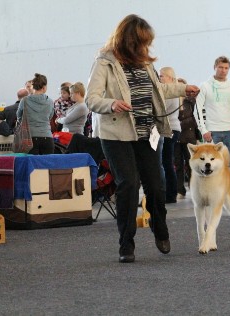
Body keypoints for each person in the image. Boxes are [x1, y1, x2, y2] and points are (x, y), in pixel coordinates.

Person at [85, 14, 200, 263]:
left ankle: (161, 230)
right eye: (142, 41)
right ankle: (126, 245)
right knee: (128, 184)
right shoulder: (104, 62)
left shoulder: (145, 63)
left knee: (156, 185)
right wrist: (111, 103)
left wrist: (184, 88)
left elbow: (158, 90)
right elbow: (91, 99)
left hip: (147, 132)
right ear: (128, 39)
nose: (146, 47)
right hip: (115, 134)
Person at [194, 56, 230, 173]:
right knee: (212, 166)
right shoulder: (205, 86)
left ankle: (226, 190)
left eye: (226, 68)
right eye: (220, 67)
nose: (223, 70)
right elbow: (197, 110)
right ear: (215, 67)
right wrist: (204, 130)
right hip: (212, 132)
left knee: (228, 164)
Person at [16, 73, 55, 155]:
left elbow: (19, 116)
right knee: (47, 166)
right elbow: (50, 117)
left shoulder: (24, 100)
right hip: (47, 137)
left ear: (33, 86)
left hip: (30, 138)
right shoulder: (50, 102)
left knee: (32, 166)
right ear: (44, 87)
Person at [159, 67, 181, 203]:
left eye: (162, 76)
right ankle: (170, 192)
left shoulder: (170, 92)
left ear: (170, 78)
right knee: (167, 162)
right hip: (171, 129)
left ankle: (171, 193)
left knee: (166, 162)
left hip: (169, 129)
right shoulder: (172, 91)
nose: (160, 78)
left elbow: (161, 110)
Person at [175, 78, 198, 199]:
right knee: (177, 164)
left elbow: (194, 120)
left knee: (191, 164)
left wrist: (179, 124)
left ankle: (193, 187)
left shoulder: (191, 102)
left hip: (189, 137)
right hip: (176, 137)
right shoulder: (172, 101)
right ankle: (180, 189)